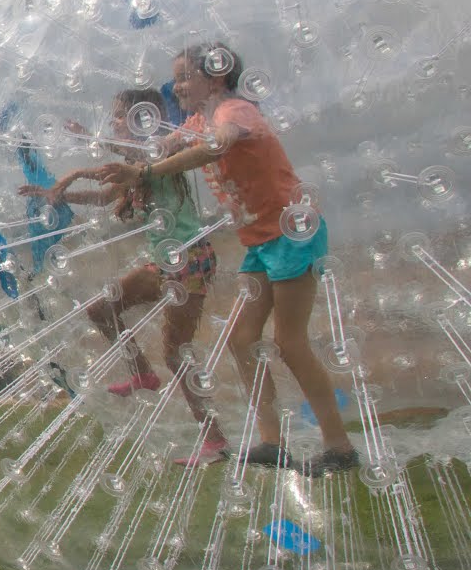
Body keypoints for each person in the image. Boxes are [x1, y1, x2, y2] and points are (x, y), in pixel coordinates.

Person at [97, 43, 359, 475]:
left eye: (184, 77)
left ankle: (339, 448)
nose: (177, 87)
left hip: (292, 234)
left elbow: (217, 147)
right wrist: (120, 153)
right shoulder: (201, 121)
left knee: (290, 343)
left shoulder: (235, 112)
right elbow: (162, 149)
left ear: (215, 78)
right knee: (242, 340)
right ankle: (272, 443)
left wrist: (144, 173)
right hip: (262, 242)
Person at [19, 88, 221, 465]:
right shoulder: (136, 169)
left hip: (189, 262)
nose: (112, 122)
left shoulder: (162, 154)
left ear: (141, 119)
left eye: (118, 117)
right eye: (112, 117)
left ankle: (215, 440)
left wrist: (83, 157)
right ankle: (143, 374)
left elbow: (139, 158)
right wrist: (57, 195)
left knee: (176, 354)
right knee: (102, 310)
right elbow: (103, 198)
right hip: (165, 262)